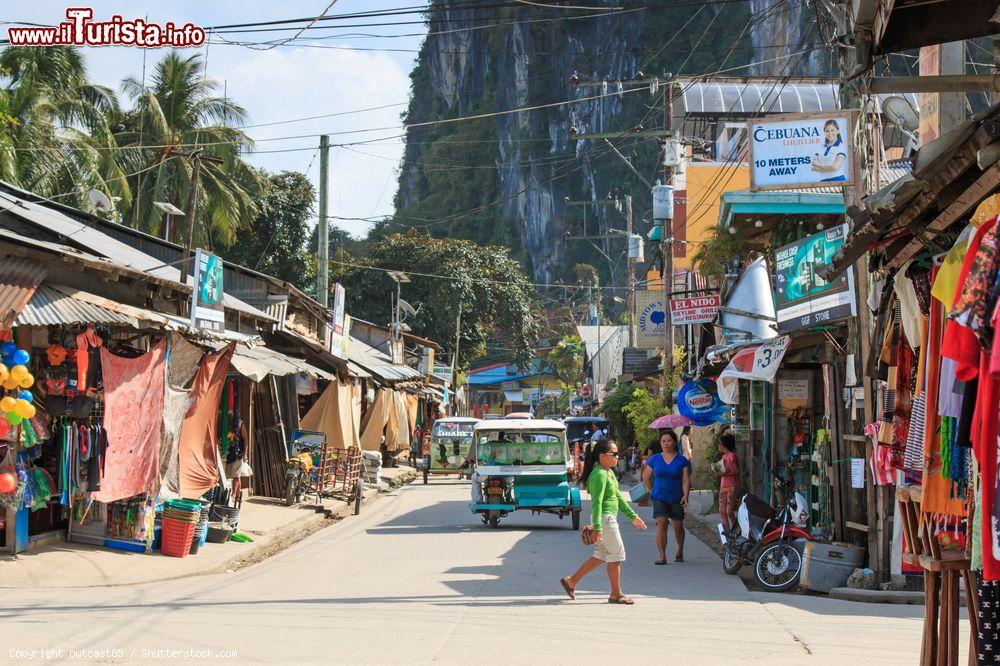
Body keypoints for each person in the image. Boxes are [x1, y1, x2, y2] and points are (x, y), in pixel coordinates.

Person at [561, 439, 647, 604]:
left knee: (601, 556)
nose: (617, 457)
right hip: (605, 519)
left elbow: (618, 499)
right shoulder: (600, 474)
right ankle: (616, 594)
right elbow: (597, 503)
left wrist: (632, 516)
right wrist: (598, 527)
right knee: (615, 557)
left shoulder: (609, 473)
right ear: (601, 456)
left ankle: (571, 581)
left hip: (606, 519)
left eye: (617, 454)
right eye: (613, 454)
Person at [643, 429, 692, 564]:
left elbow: (685, 480)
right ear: (660, 443)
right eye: (663, 441)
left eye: (669, 441)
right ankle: (662, 556)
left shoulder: (682, 460)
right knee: (662, 523)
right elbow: (646, 478)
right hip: (659, 497)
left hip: (676, 497)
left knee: (678, 526)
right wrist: (652, 491)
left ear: (675, 442)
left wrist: (686, 496)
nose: (666, 444)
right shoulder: (655, 459)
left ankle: (679, 549)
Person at [717, 433, 740, 534]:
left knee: (729, 511)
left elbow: (736, 471)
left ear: (723, 445)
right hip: (723, 486)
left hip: (732, 486)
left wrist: (725, 473)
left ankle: (736, 530)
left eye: (719, 444)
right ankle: (727, 532)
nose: (718, 447)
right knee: (722, 511)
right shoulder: (723, 457)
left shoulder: (731, 456)